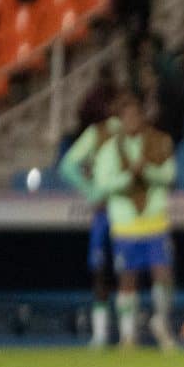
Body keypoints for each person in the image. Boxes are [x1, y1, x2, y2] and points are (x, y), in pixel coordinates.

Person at [95, 91, 178, 349]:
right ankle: (128, 335)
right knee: (127, 278)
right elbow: (103, 185)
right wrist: (128, 176)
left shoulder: (159, 141)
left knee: (163, 274)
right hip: (125, 224)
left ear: (142, 116)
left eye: (135, 114)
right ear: (120, 120)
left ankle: (161, 322)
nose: (131, 120)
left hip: (155, 222)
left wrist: (147, 171)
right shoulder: (109, 149)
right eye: (126, 116)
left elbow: (169, 175)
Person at [57, 113, 121, 348]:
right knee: (99, 269)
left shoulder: (139, 134)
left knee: (129, 272)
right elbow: (67, 166)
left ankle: (128, 333)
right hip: (104, 215)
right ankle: (101, 334)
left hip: (130, 213)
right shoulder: (98, 133)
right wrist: (92, 192)